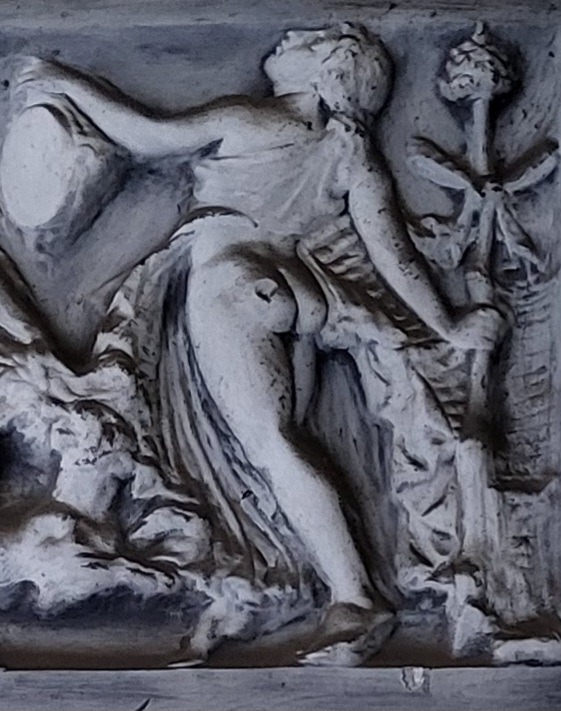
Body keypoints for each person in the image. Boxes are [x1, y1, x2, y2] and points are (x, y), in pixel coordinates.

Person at [15, 23, 504, 664]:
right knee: (270, 453)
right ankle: (289, 582)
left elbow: (146, 135)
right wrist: (450, 324)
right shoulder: (352, 155)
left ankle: (356, 596)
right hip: (295, 294)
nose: (287, 37)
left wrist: (62, 80)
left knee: (271, 449)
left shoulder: (256, 119)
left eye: (305, 39)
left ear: (326, 73)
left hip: (230, 280)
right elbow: (397, 258)